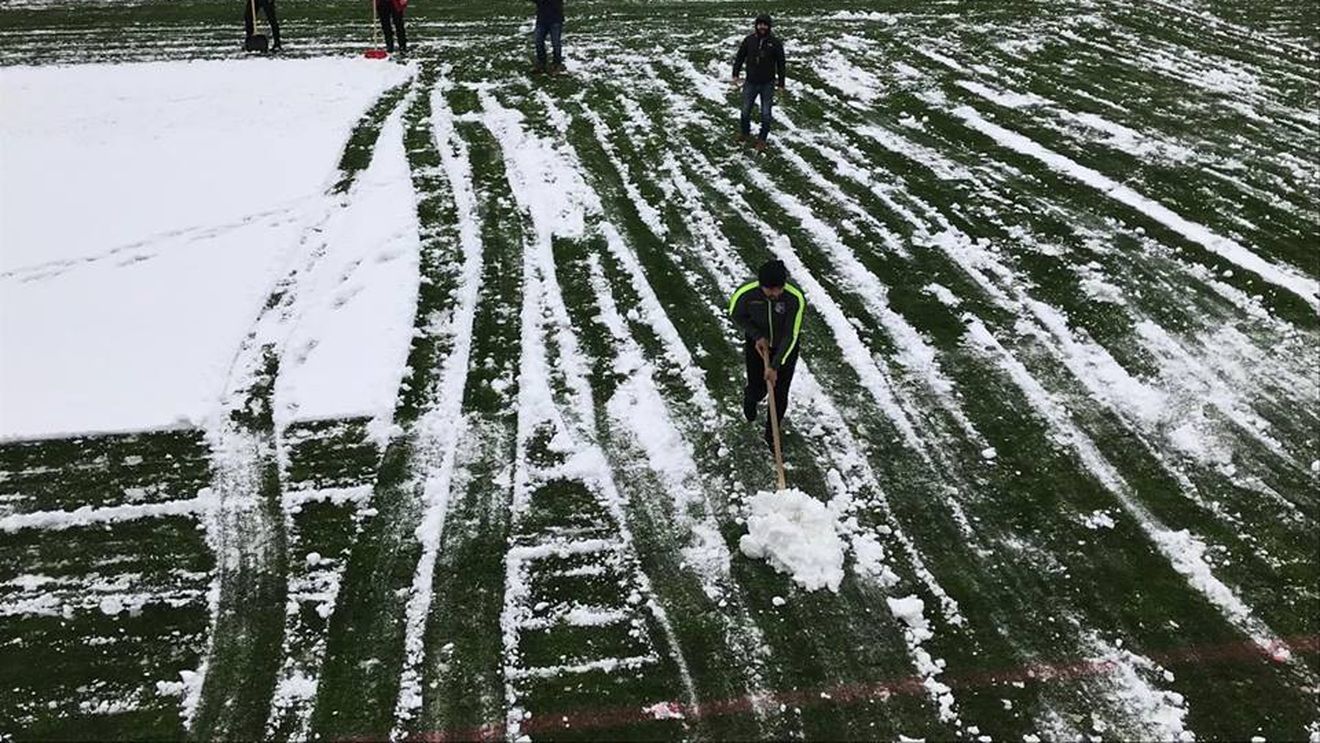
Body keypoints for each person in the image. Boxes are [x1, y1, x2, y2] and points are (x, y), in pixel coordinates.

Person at [728, 259, 806, 449]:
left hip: (784, 348)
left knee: (779, 393)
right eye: (768, 290)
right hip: (758, 346)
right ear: (761, 285)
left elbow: (791, 334)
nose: (773, 294)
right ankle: (751, 397)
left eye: (777, 290)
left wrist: (775, 365)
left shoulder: (794, 298)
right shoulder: (746, 293)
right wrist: (757, 335)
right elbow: (736, 314)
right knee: (759, 387)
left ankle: (772, 434)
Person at [732, 14, 786, 152]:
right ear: (756, 25)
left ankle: (762, 139)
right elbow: (740, 57)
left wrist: (781, 83)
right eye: (760, 24)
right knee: (745, 111)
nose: (762, 27)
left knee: (766, 114)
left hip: (767, 84)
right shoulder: (749, 40)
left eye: (765, 24)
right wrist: (735, 74)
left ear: (769, 26)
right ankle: (745, 133)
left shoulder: (775, 43)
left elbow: (781, 64)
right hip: (750, 82)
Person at [532, 0, 565, 74]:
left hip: (555, 19)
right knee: (538, 41)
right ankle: (541, 63)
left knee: (555, 43)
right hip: (542, 19)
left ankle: (557, 64)